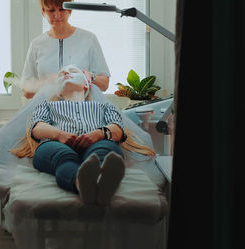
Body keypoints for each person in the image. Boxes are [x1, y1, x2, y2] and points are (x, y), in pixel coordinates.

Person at [11, 64, 155, 206]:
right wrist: (60, 135)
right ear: (59, 91)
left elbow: (117, 129)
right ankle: (81, 184)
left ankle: (103, 184)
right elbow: (37, 127)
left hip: (97, 143)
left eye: (73, 71)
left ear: (86, 85)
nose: (66, 73)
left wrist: (99, 134)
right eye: (62, 74)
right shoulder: (47, 105)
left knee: (106, 150)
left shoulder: (104, 106)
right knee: (62, 158)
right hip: (56, 145)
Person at [21, 0, 110, 99]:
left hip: (81, 113)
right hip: (47, 113)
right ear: (43, 11)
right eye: (51, 10)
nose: (57, 15)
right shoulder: (37, 44)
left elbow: (104, 84)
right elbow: (26, 92)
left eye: (62, 9)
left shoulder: (88, 39)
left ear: (70, 9)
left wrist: (89, 77)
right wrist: (45, 83)